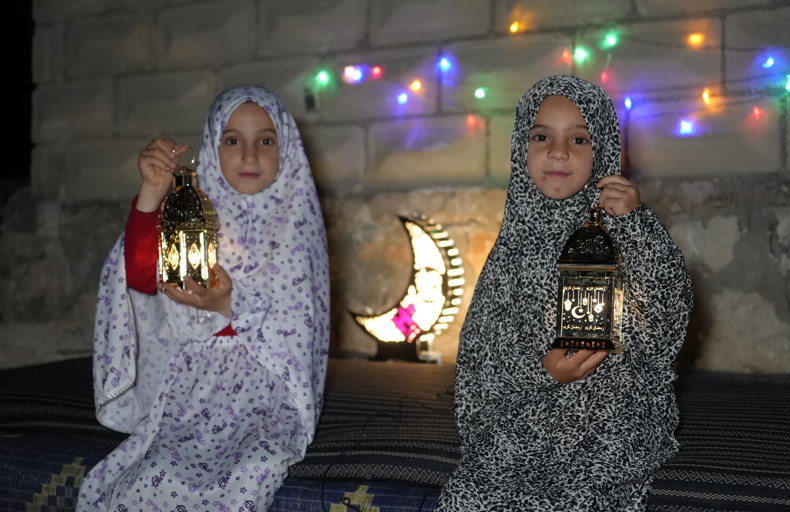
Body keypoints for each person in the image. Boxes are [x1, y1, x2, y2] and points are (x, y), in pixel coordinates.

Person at [436, 75, 693, 511]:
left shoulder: (623, 227)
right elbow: (485, 354)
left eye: (579, 138)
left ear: (605, 149)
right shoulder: (516, 241)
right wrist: (545, 372)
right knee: (475, 487)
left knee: (576, 488)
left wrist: (636, 226)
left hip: (613, 411)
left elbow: (665, 327)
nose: (558, 152)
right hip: (534, 404)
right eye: (542, 136)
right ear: (521, 147)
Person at [78, 85, 330, 511]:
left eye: (266, 140)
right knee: (149, 474)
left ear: (287, 148)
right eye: (233, 140)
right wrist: (153, 193)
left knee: (250, 466)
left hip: (268, 394)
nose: (250, 156)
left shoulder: (297, 230)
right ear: (213, 146)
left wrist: (226, 307)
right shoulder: (191, 213)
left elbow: (299, 333)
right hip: (192, 388)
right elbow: (139, 282)